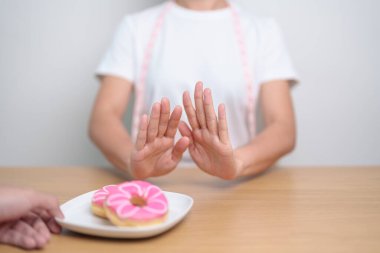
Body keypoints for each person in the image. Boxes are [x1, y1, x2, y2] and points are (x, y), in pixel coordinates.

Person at [89, 0, 298, 180]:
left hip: (235, 186)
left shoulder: (262, 30)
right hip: (155, 186)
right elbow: (103, 116)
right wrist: (131, 161)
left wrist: (238, 163)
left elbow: (283, 126)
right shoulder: (135, 27)